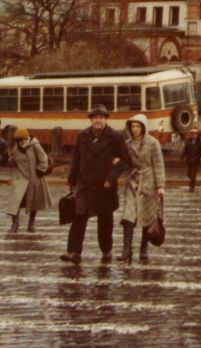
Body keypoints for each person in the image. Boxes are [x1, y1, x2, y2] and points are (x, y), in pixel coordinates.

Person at [61, 104, 130, 265]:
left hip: (105, 186)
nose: (98, 120)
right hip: (85, 184)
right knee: (78, 217)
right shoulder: (83, 136)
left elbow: (124, 160)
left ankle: (106, 250)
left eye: (101, 117)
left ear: (106, 119)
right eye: (95, 117)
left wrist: (111, 178)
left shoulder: (115, 137)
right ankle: (74, 251)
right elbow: (76, 159)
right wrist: (72, 180)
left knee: (105, 221)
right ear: (91, 119)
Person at [118, 114, 166, 264]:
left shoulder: (153, 143)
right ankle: (127, 249)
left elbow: (158, 165)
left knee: (147, 216)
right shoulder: (127, 143)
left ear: (144, 127)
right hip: (132, 182)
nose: (135, 129)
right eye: (132, 126)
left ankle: (143, 248)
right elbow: (126, 163)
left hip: (148, 183)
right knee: (128, 216)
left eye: (138, 126)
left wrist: (160, 186)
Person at [6, 128, 52, 234]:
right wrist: (10, 161)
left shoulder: (35, 145)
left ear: (27, 138)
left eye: (23, 139)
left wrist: (40, 170)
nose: (21, 142)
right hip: (21, 179)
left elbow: (43, 158)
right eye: (19, 140)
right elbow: (12, 160)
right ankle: (15, 224)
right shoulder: (15, 148)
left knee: (34, 202)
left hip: (34, 179)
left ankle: (31, 224)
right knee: (15, 202)